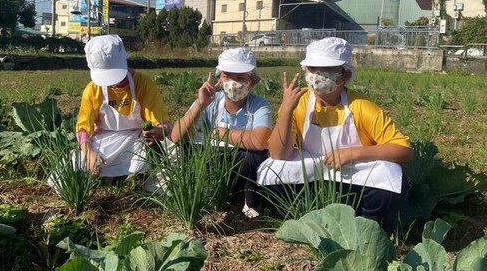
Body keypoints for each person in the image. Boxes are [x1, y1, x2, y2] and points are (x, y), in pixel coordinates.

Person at [259, 37, 413, 230]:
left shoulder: (360, 106)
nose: (317, 76)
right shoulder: (299, 103)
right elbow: (277, 154)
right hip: (314, 172)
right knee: (271, 169)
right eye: (312, 69)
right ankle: (301, 214)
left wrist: (353, 153)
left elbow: (403, 150)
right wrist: (286, 111)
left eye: (327, 70)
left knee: (391, 178)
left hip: (352, 173)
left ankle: (366, 223)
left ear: (345, 75)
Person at [171, 47, 273, 218]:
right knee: (187, 148)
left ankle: (251, 202)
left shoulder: (259, 105)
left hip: (239, 170)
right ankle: (205, 193)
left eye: (240, 78)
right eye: (227, 76)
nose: (233, 83)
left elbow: (259, 141)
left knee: (256, 156)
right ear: (219, 78)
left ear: (253, 81)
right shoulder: (210, 101)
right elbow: (176, 137)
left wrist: (221, 133)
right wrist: (201, 105)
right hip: (212, 166)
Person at [76, 34, 171, 182]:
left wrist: (159, 132)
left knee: (149, 158)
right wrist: (89, 154)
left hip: (137, 139)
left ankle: (130, 179)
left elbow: (162, 123)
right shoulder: (93, 90)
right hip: (104, 140)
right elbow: (83, 129)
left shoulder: (142, 83)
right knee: (77, 164)